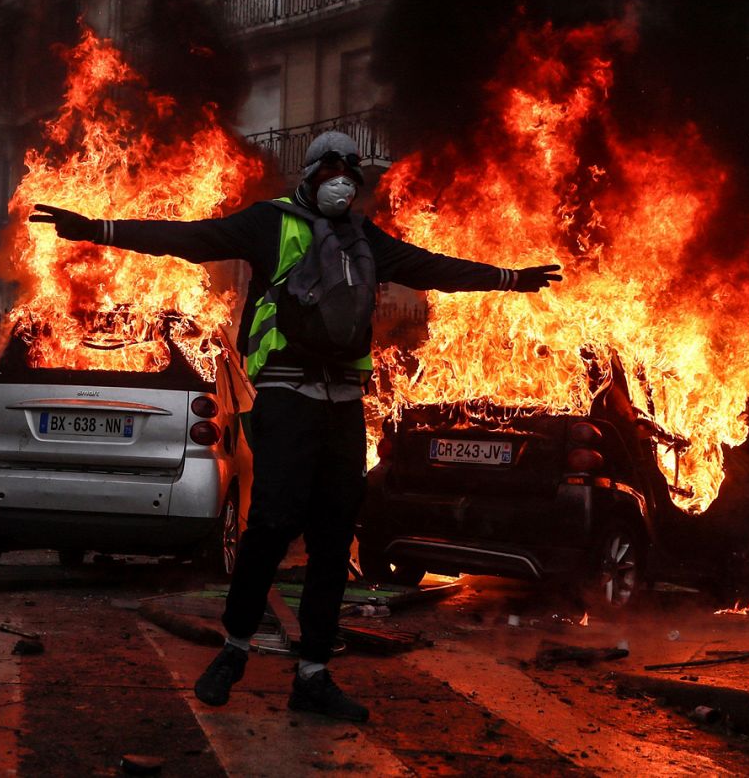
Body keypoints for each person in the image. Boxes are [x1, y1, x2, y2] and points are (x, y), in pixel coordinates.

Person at [31, 131, 559, 722]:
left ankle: (313, 674)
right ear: (308, 175)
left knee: (335, 537)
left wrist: (508, 279)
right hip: (284, 394)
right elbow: (188, 239)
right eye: (330, 169)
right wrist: (97, 229)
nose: (341, 181)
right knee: (274, 522)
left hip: (342, 402)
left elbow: (431, 268)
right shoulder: (268, 223)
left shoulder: (364, 239)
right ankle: (233, 649)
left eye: (349, 174)